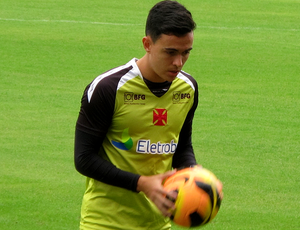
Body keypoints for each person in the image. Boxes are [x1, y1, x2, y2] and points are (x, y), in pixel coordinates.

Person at [74, 1, 198, 229]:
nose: (178, 62)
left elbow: (181, 146)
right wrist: (141, 183)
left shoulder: (187, 88)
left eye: (186, 52)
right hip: (104, 223)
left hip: (159, 223)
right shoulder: (109, 88)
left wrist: (192, 172)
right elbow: (84, 159)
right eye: (170, 52)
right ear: (147, 44)